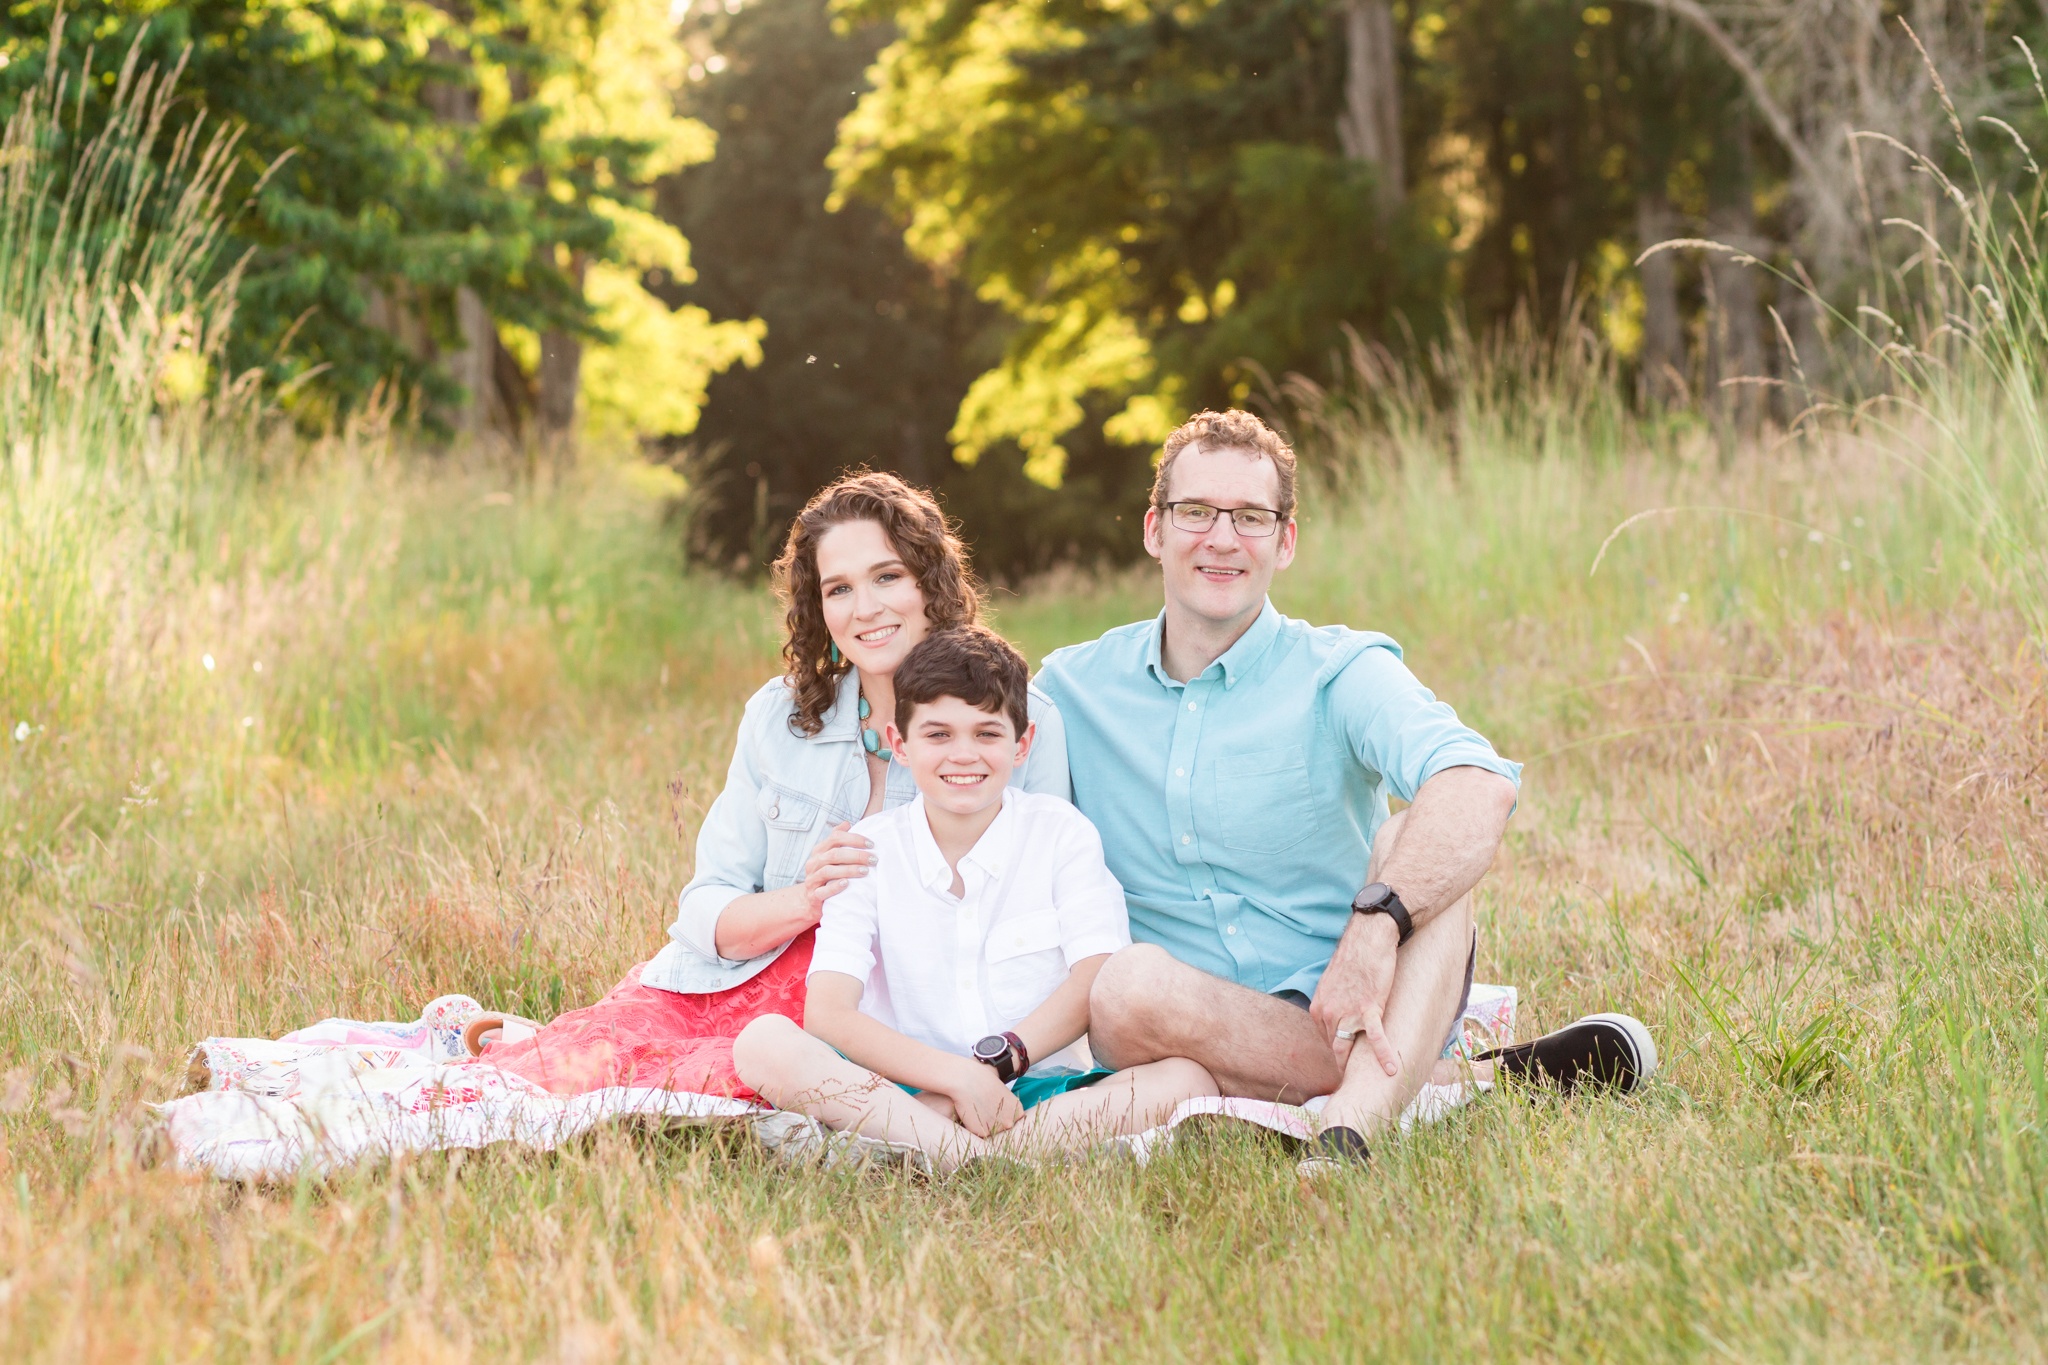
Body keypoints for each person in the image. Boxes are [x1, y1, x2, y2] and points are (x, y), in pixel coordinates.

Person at [1035, 410, 1655, 1176]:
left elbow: (1478, 783)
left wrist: (1380, 922)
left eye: (1252, 517)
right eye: (1196, 512)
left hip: (1359, 995)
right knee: (1124, 986)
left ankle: (1346, 1137)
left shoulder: (1340, 669)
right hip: (1175, 1014)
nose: (1222, 538)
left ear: (1284, 541)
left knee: (1413, 843)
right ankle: (1456, 1080)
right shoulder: (1068, 687)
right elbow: (972, 797)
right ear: (1155, 530)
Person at [474, 472, 1070, 1100]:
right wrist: (807, 901)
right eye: (839, 589)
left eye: (887, 577)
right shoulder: (779, 719)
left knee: (744, 1085)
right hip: (738, 984)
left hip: (888, 1022)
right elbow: (705, 911)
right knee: (569, 1079)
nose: (865, 608)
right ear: (820, 608)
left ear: (930, 585)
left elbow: (1039, 925)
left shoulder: (1024, 722)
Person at [733, 625, 1216, 1172]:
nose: (964, 755)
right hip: (905, 1093)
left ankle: (941, 1153)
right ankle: (976, 1159)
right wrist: (954, 1078)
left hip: (1032, 1091)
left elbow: (1095, 978)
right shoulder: (867, 850)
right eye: (938, 735)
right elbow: (828, 1013)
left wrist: (993, 1071)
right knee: (763, 1043)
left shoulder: (1061, 834)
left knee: (1187, 1079)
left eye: (987, 734)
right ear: (900, 745)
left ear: (1022, 745)